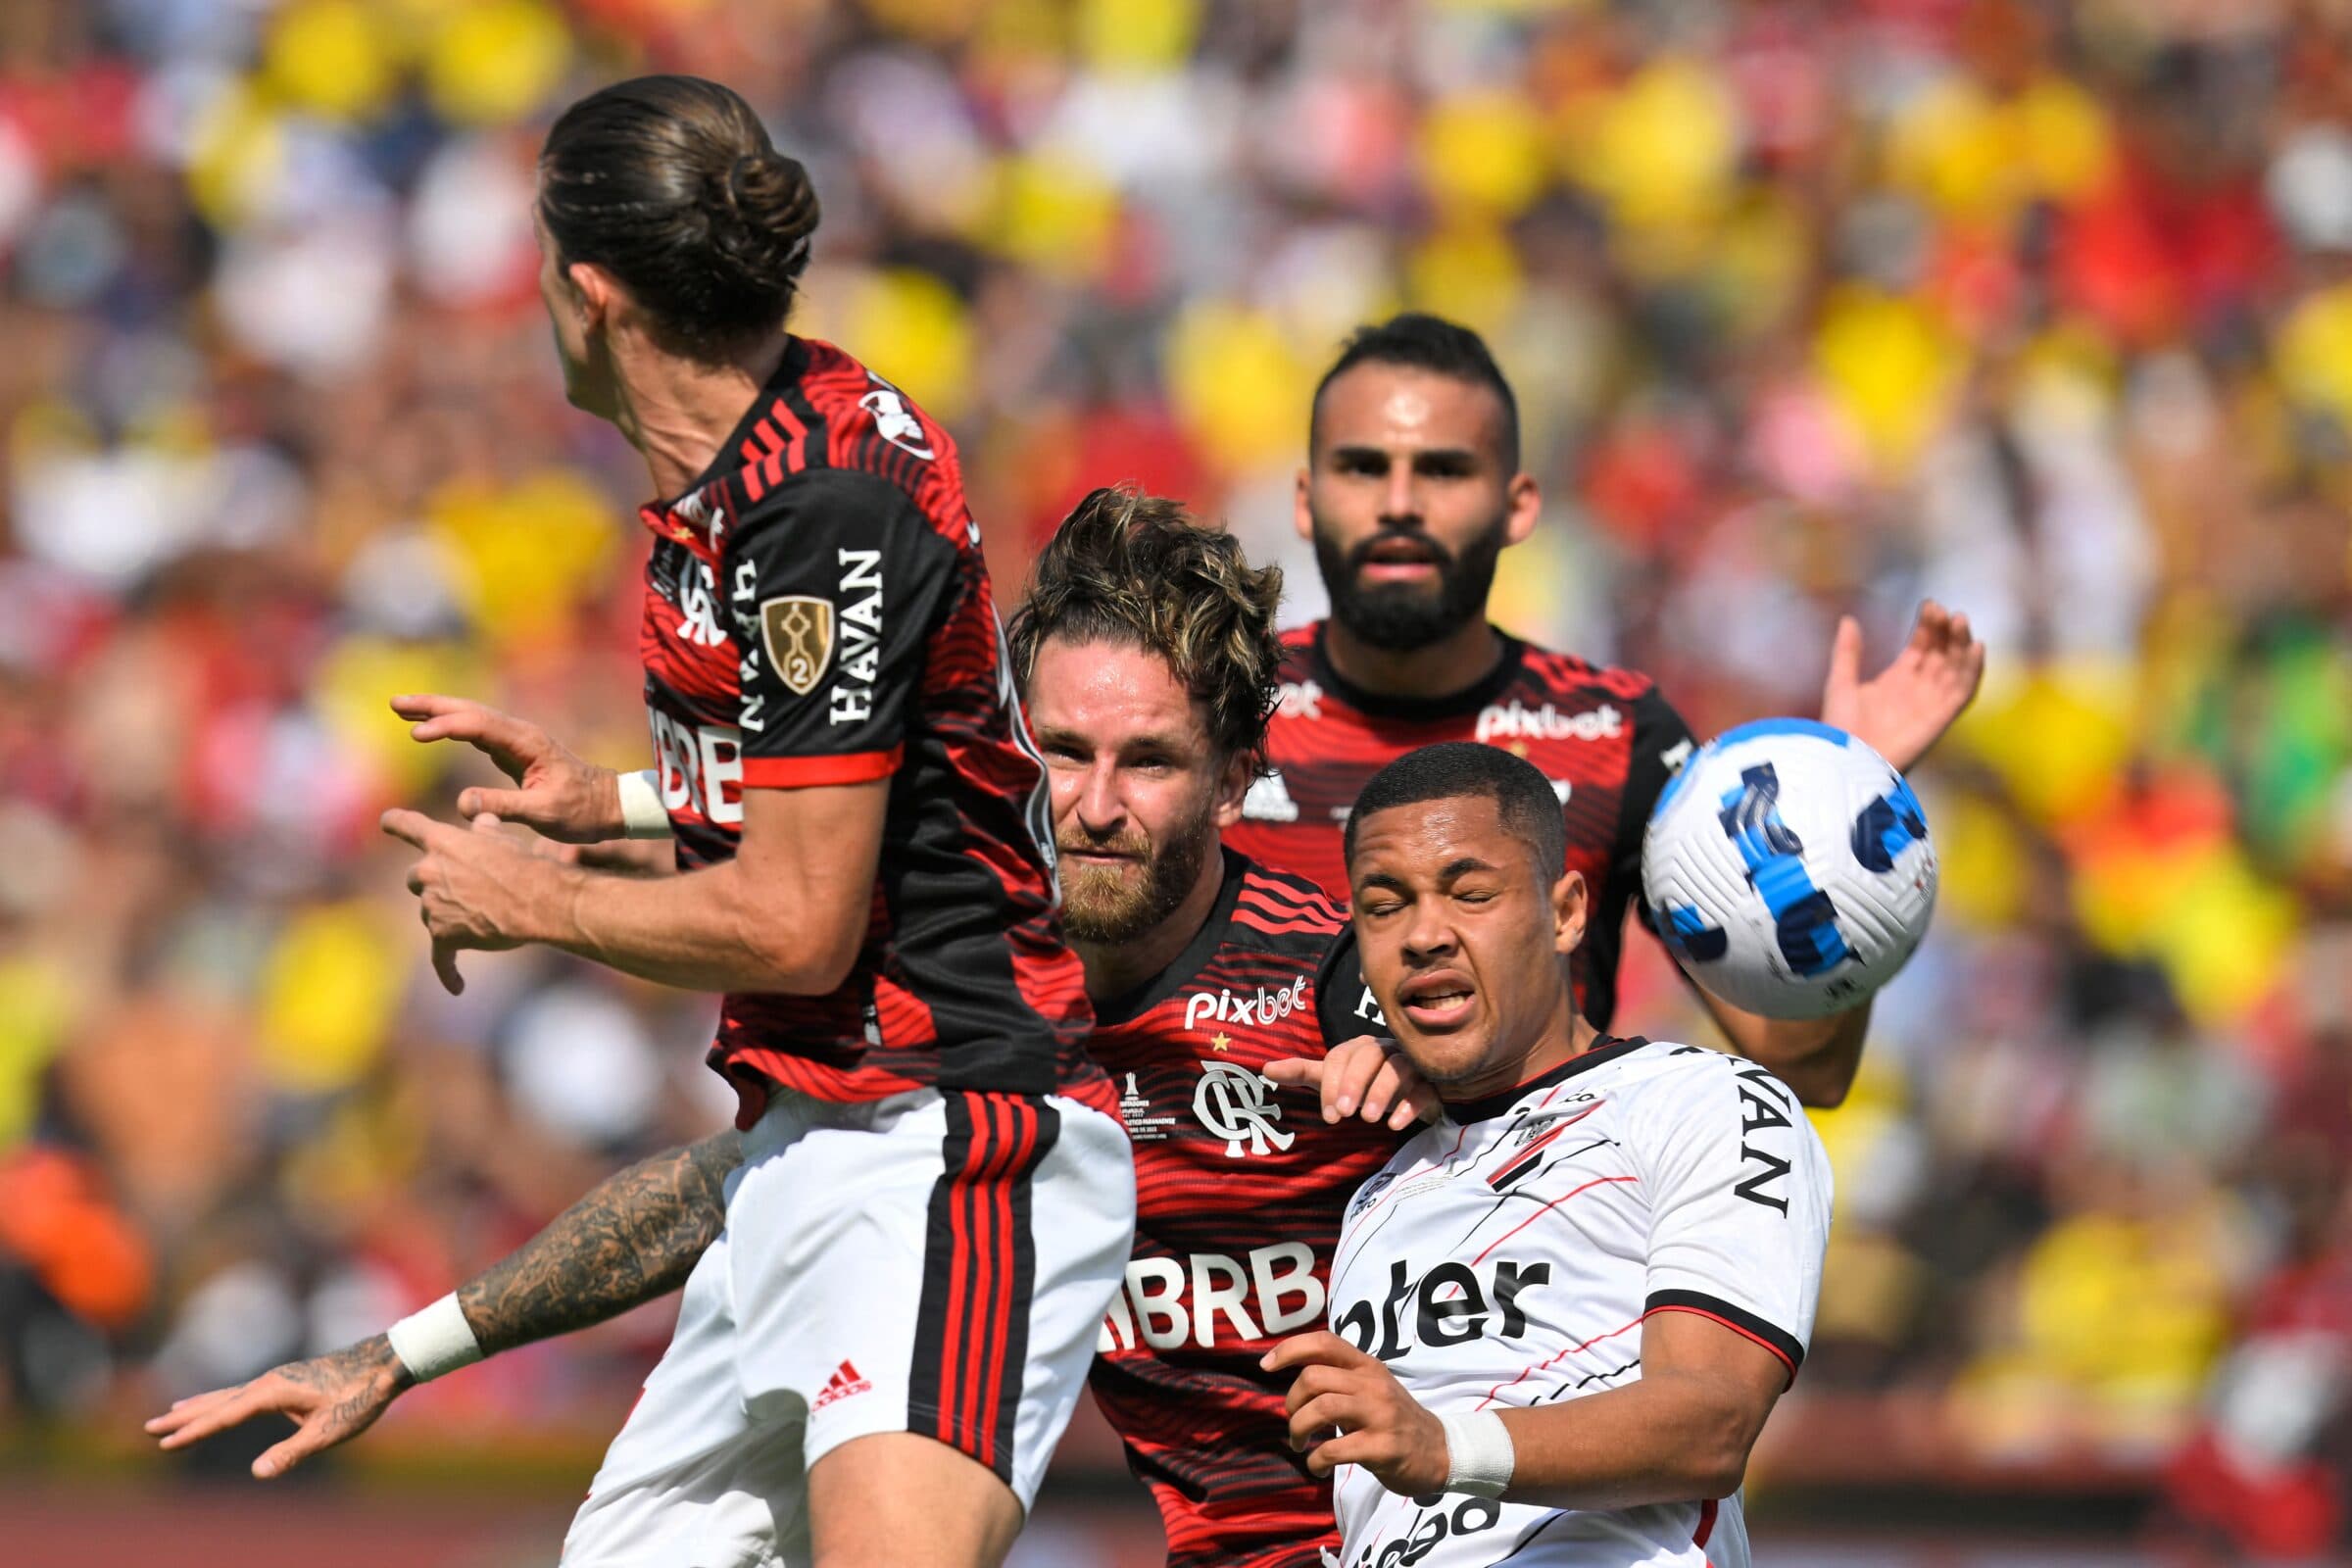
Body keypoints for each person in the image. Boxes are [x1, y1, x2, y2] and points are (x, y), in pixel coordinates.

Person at [149, 76, 1137, 1568]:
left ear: (591, 290)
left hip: (952, 1151)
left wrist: (528, 899)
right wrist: (610, 804)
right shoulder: (768, 457)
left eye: (543, 268)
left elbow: (798, 924)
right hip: (814, 1153)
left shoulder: (819, 511)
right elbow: (885, 788)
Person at [148, 488, 1409, 1566]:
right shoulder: (949, 976)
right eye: (1060, 751)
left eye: (1149, 762)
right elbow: (739, 1188)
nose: (1090, 805)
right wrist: (399, 1352)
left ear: (1239, 776)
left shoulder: (1339, 977)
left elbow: (1568, 1143)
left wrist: (1428, 1072)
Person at [1224, 313, 1984, 1107]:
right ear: (1306, 501)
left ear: (1519, 506)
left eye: (1445, 471)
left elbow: (1805, 1063)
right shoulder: (1217, 715)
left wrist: (1842, 804)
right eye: (1363, 468)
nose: (1401, 503)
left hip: (1517, 1226)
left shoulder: (1619, 737)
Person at [1263, 742, 1832, 1568]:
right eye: (1385, 907)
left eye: (1470, 893)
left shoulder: (1701, 1100)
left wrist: (1444, 1448)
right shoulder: (1376, 1192)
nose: (1424, 934)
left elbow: (1712, 1424)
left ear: (1566, 913)